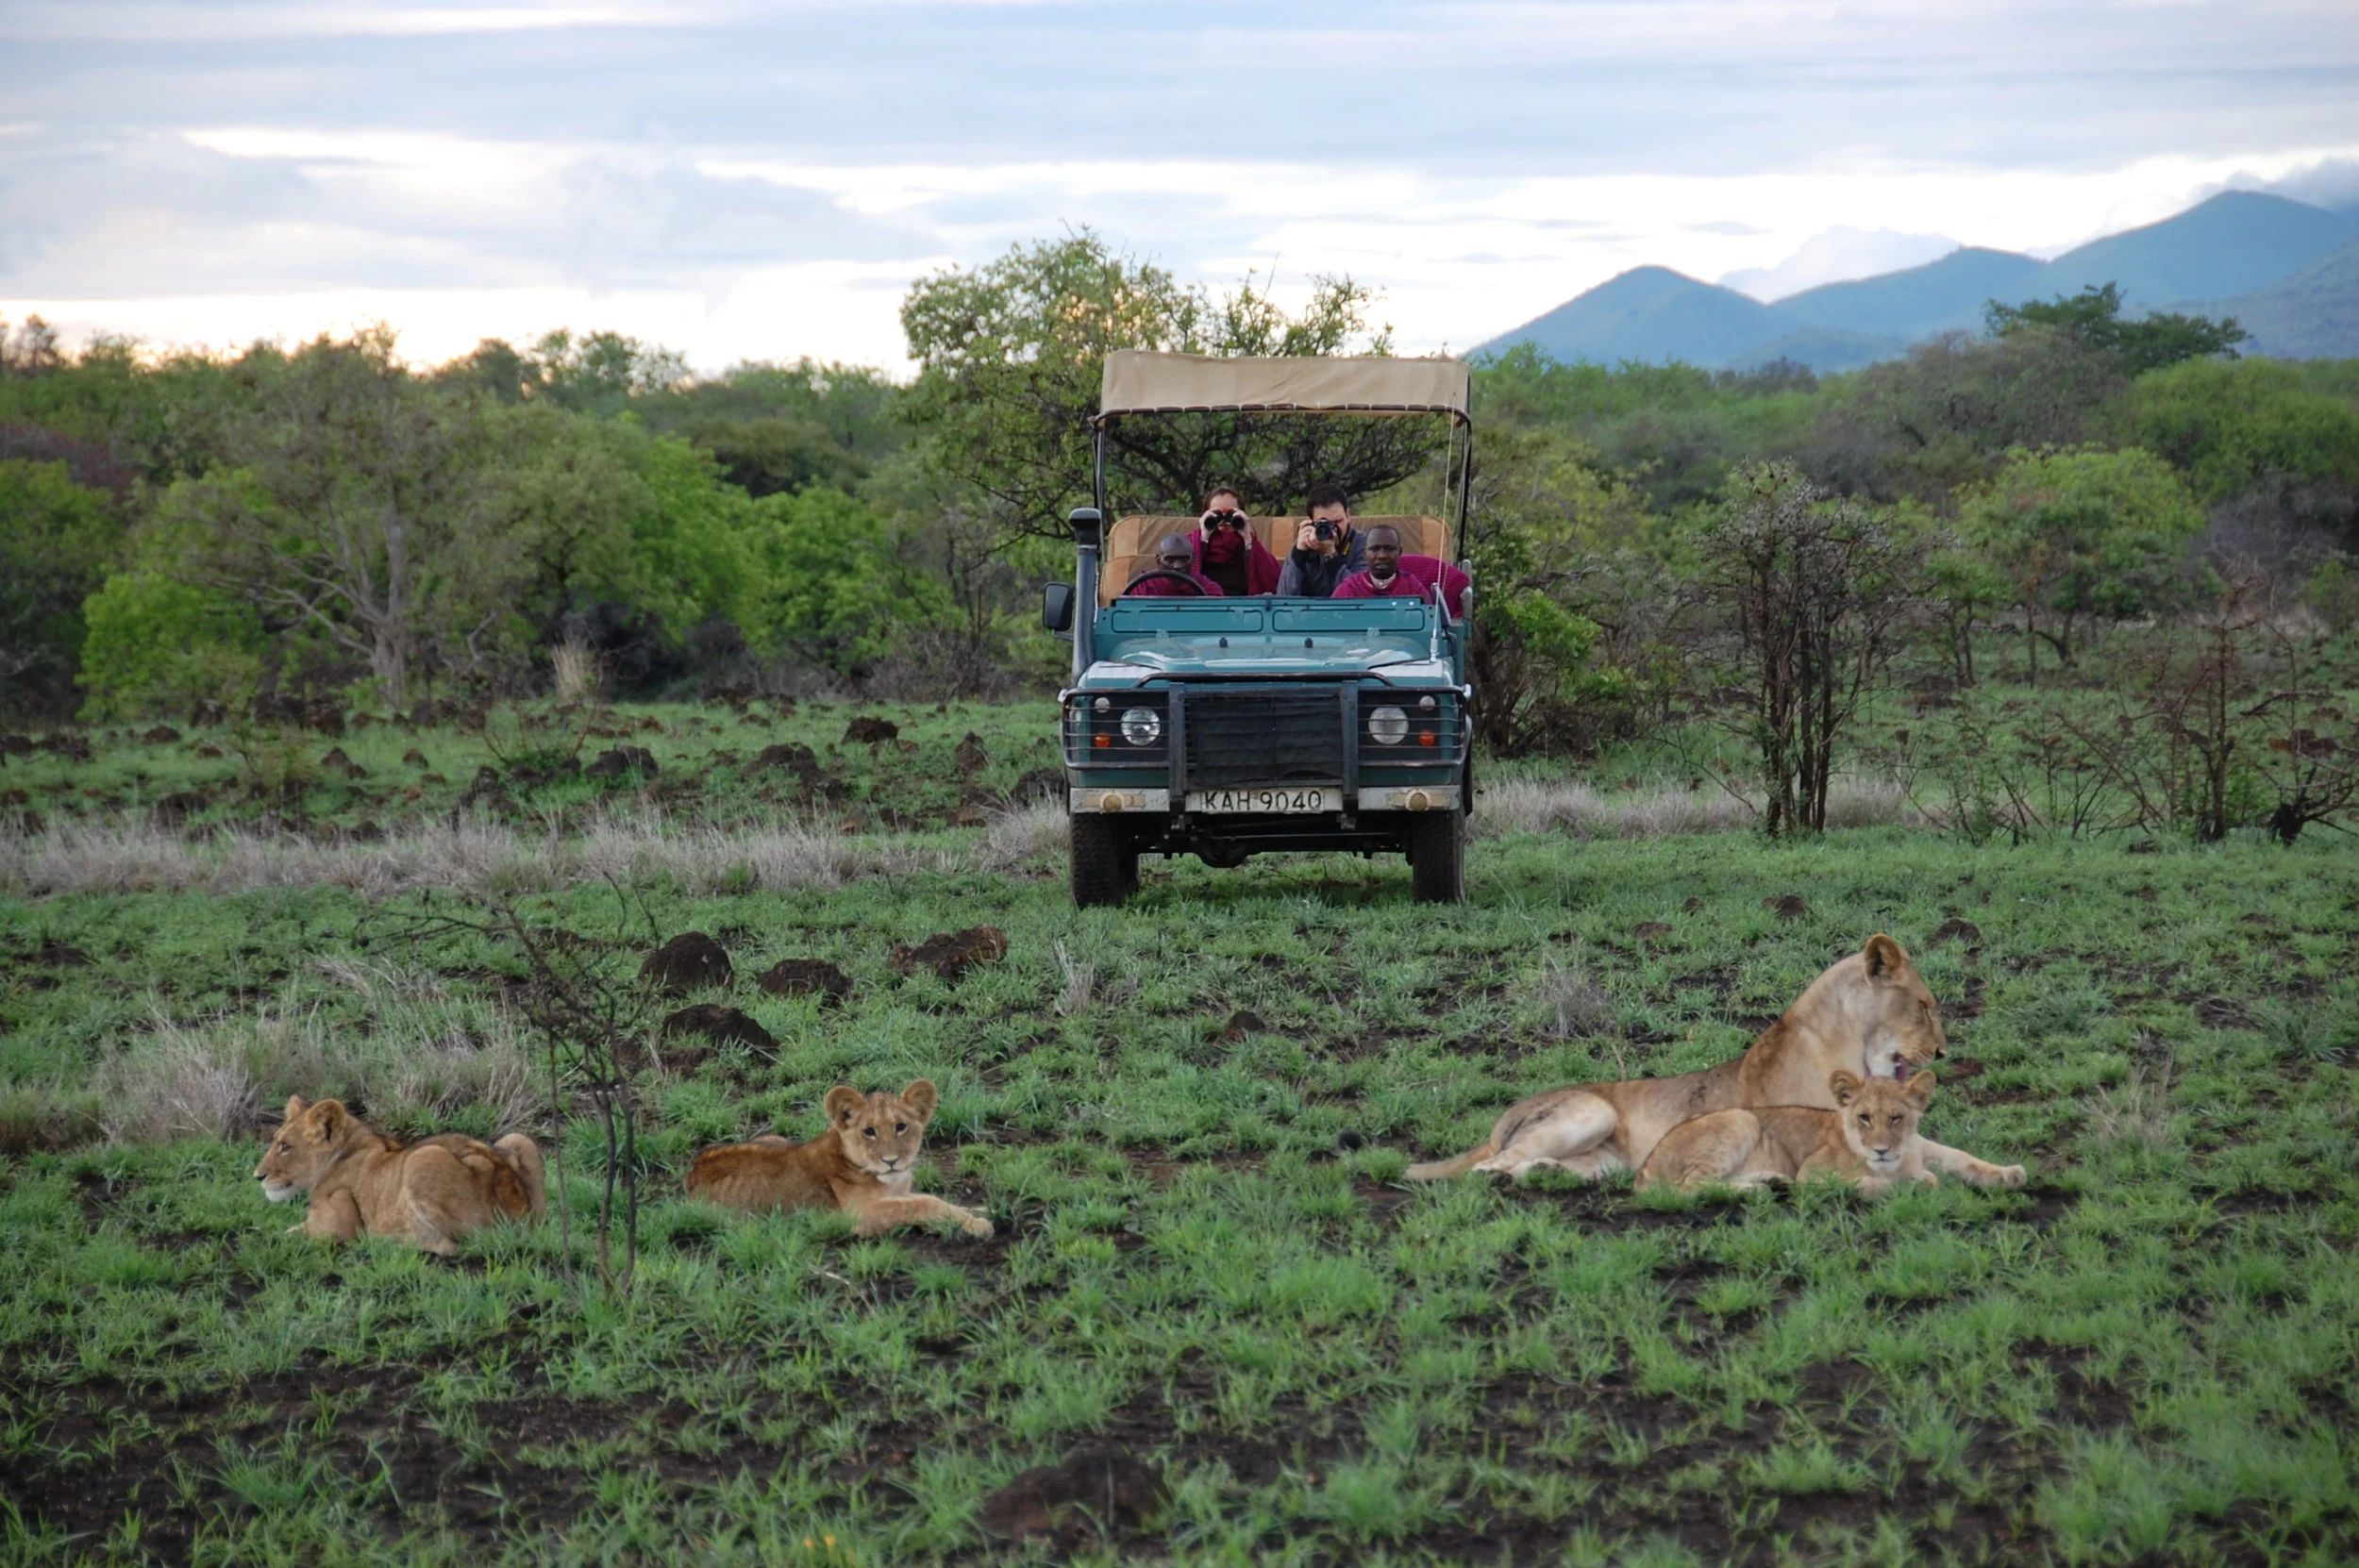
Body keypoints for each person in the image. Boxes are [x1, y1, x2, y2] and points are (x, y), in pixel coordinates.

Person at [1332, 525, 1471, 614]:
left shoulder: (1412, 587)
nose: (1382, 556)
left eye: (1389, 549)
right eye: (1374, 549)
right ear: (1365, 554)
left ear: (1399, 552)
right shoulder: (1349, 589)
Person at [1274, 483, 1365, 598]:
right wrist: (1299, 555)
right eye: (1325, 524)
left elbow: (1360, 596)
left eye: (1338, 521)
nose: (1334, 530)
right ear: (1311, 521)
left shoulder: (1363, 544)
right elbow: (1283, 598)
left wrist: (1332, 557)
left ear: (1348, 515)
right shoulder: (1304, 545)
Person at [1191, 486, 1281, 597]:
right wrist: (1203, 539)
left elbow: (1271, 583)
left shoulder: (1255, 551)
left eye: (1230, 514)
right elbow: (1184, 574)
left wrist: (1248, 540)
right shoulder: (1190, 545)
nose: (1224, 519)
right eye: (1217, 514)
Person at [1124, 534, 1226, 596]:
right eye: (1170, 560)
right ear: (1159, 560)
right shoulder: (1142, 585)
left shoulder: (1207, 587)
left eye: (1184, 559)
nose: (1177, 566)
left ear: (1193, 559)